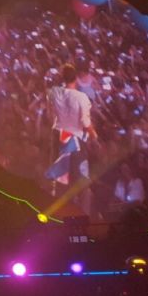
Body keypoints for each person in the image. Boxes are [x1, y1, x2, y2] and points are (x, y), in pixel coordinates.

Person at [43, 64, 97, 209]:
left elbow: (49, 115)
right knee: (82, 183)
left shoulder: (54, 93)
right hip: (75, 141)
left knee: (60, 183)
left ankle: (60, 216)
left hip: (58, 138)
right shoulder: (81, 97)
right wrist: (94, 136)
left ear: (62, 78)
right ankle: (83, 216)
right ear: (76, 78)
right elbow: (85, 122)